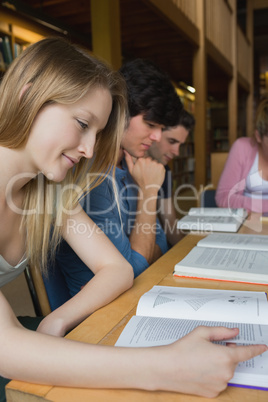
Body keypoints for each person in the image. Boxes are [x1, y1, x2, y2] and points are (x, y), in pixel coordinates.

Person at [1, 39, 266, 401]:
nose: (90, 150)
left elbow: (119, 269)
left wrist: (56, 320)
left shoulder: (47, 191)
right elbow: (8, 349)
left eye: (97, 133)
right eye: (81, 124)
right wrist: (165, 368)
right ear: (27, 97)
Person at [55, 58, 183, 296]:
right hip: (97, 319)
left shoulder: (131, 166)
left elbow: (161, 245)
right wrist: (149, 192)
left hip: (140, 295)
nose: (156, 137)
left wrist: (142, 251)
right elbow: (130, 272)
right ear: (120, 113)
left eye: (161, 128)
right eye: (150, 124)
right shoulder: (90, 176)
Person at [147, 109, 195, 245]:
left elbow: (169, 220)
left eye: (180, 145)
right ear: (155, 133)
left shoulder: (163, 169)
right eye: (171, 141)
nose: (177, 152)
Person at [216, 98, 268, 212]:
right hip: (246, 224)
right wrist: (264, 206)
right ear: (258, 136)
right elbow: (223, 198)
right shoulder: (242, 148)